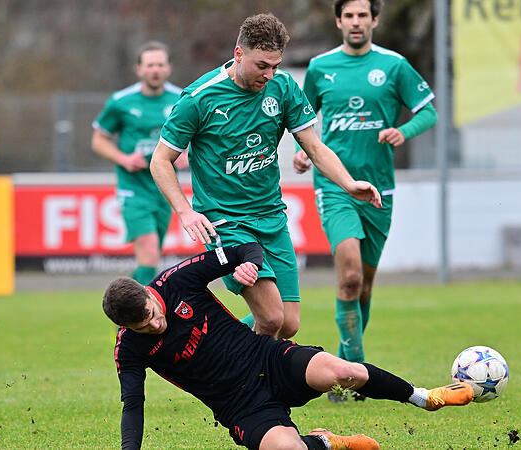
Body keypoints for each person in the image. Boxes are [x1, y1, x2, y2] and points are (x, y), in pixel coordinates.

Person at [103, 244, 474, 449]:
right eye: (143, 326)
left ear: (149, 293)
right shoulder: (130, 348)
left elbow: (245, 248)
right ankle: (329, 444)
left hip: (266, 358)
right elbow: (133, 405)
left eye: (153, 314)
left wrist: (248, 266)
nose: (155, 325)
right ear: (126, 327)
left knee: (345, 371)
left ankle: (425, 397)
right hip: (238, 406)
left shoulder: (177, 280)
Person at [150, 13, 382, 340]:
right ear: (238, 53)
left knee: (288, 324)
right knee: (271, 317)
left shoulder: (282, 87)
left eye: (276, 65)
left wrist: (348, 183)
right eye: (262, 66)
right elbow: (160, 160)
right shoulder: (199, 97)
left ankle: (214, 351)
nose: (270, 74)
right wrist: (186, 211)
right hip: (226, 222)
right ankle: (250, 388)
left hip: (272, 218)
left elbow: (314, 146)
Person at [293, 0, 437, 396]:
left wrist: (402, 132)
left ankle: (345, 364)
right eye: (349, 16)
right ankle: (352, 379)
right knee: (350, 276)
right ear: (339, 21)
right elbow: (301, 121)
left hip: (380, 190)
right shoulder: (321, 68)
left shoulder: (394, 65)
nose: (356, 22)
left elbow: (429, 112)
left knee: (366, 287)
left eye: (363, 15)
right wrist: (305, 153)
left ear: (375, 20)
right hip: (335, 187)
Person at [92, 41, 187, 285]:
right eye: (149, 65)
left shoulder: (182, 99)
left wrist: (188, 153)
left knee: (152, 258)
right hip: (133, 187)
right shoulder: (121, 101)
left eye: (160, 64)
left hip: (165, 187)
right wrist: (124, 159)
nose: (155, 69)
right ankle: (136, 315)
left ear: (169, 68)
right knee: (149, 253)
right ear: (139, 69)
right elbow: (99, 140)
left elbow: (198, 135)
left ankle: (124, 308)